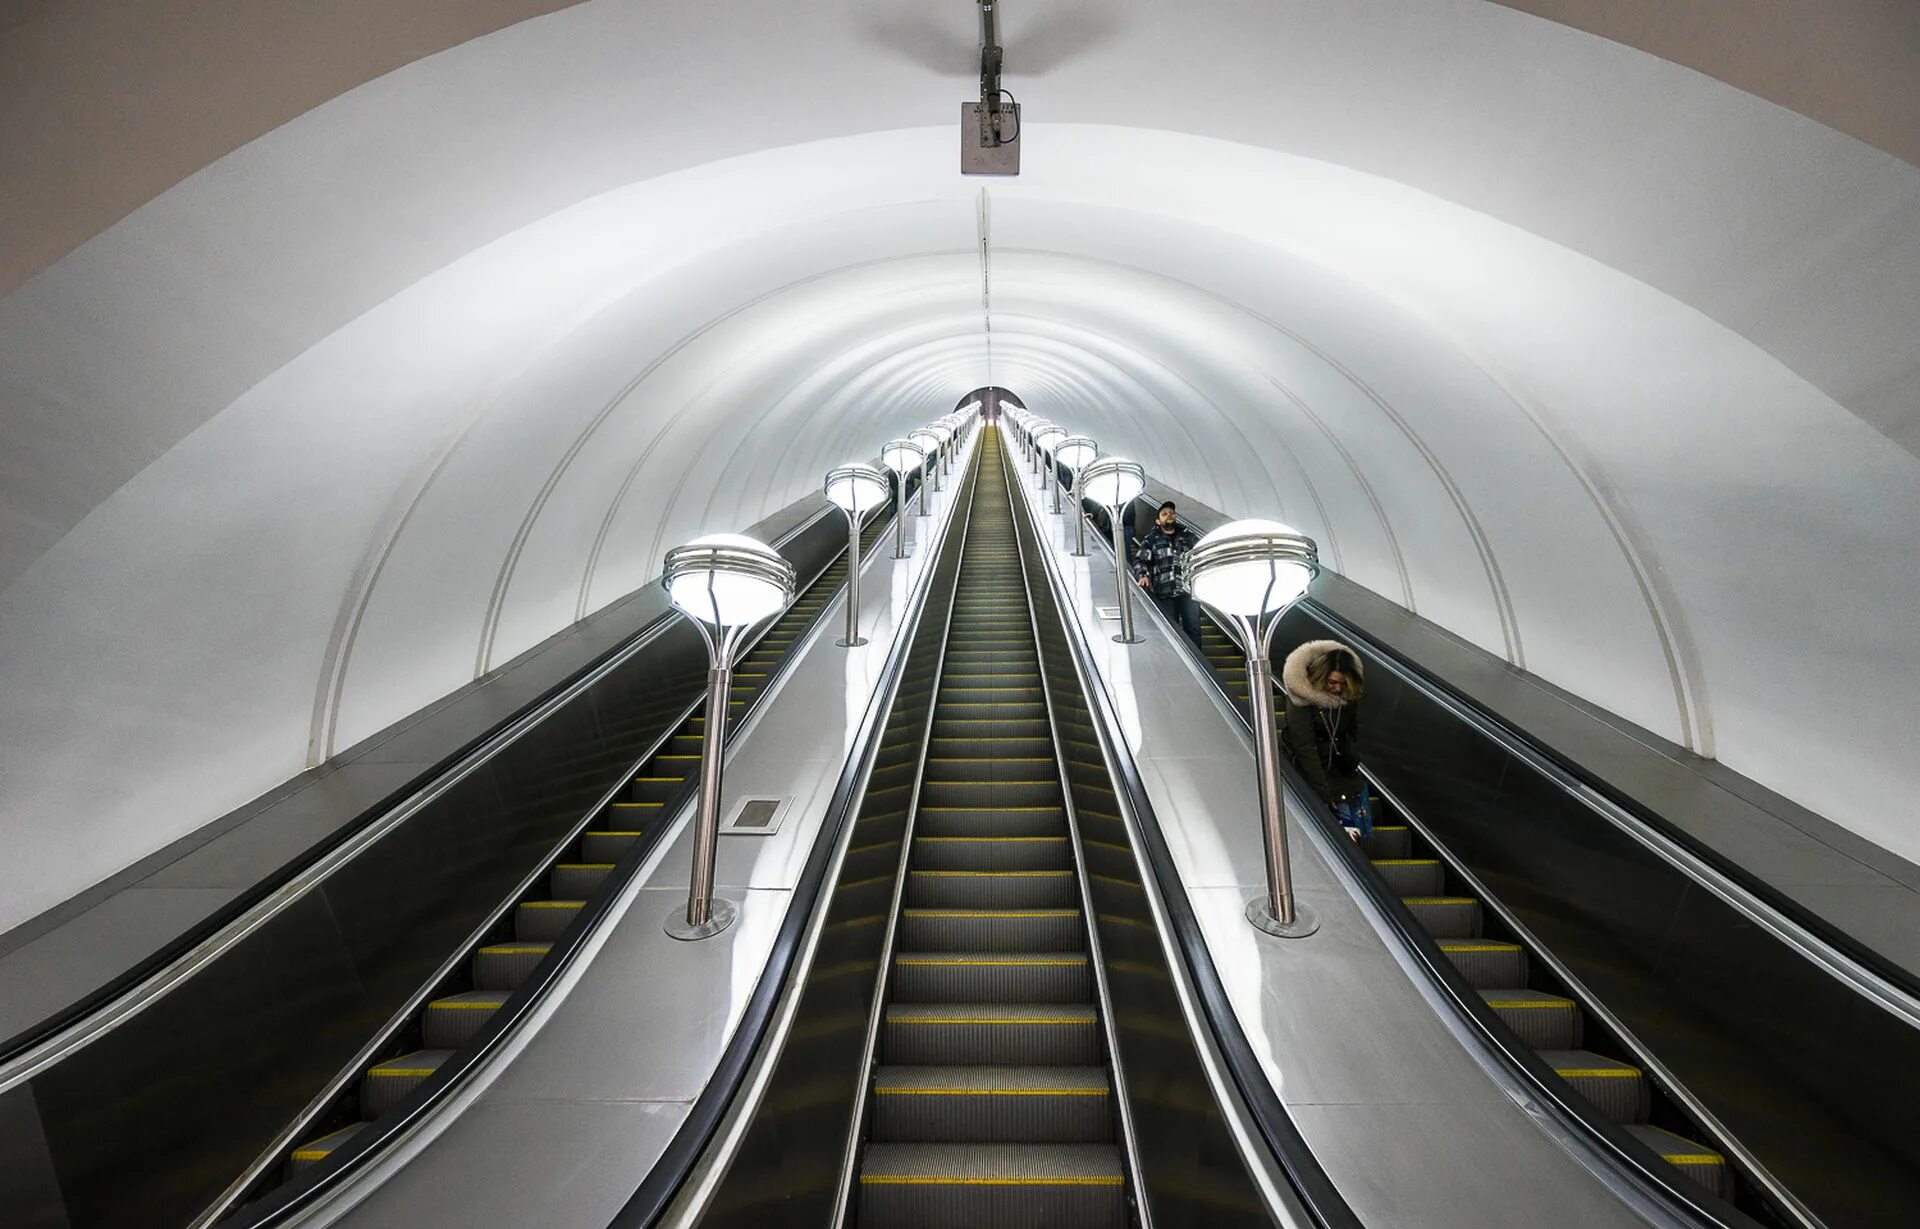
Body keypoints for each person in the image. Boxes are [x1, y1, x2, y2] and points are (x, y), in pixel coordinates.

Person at [1280, 640, 1373, 839]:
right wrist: (1323, 793)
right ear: (1321, 678)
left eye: (1343, 683)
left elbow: (1351, 733)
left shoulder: (1347, 698)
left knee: (1351, 831)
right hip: (1304, 771)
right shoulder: (1301, 699)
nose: (1338, 689)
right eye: (1332, 683)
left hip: (1339, 771)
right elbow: (1304, 747)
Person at [1130, 500, 1203, 648]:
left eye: (1171, 513)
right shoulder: (1151, 539)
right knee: (1171, 629)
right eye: (1164, 514)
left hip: (1187, 591)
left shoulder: (1188, 537)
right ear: (1158, 521)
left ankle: (1199, 663)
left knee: (1193, 628)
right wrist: (1143, 575)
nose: (1169, 515)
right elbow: (1140, 560)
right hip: (1164, 592)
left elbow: (1200, 556)